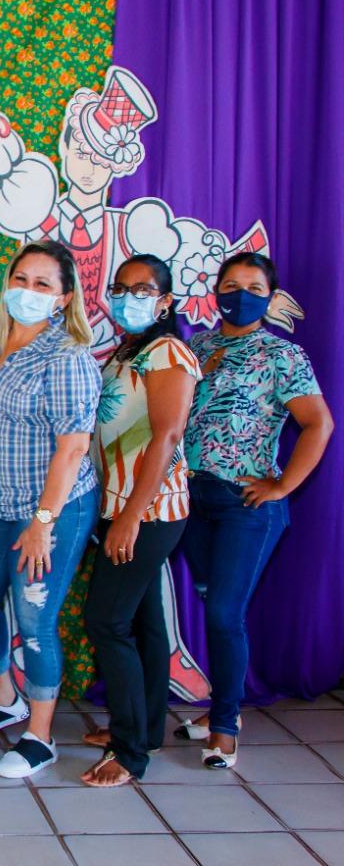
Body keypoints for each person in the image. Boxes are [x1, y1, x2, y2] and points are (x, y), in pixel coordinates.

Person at [175, 251, 333, 769]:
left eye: (253, 286)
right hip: (192, 501)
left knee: (224, 613)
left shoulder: (282, 355)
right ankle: (224, 709)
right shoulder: (197, 347)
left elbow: (318, 424)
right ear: (214, 291)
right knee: (213, 605)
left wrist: (283, 484)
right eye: (230, 284)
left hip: (244, 505)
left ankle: (223, 728)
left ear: (270, 296)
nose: (240, 294)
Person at [0, 239, 101, 778]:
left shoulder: (67, 358)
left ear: (63, 299)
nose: (28, 291)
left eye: (43, 285)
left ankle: (39, 737)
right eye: (21, 279)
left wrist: (43, 524)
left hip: (51, 509)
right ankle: (3, 701)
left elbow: (74, 447)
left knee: (36, 619)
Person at [80, 255, 200, 786]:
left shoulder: (168, 352)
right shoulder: (131, 352)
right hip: (119, 506)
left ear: (166, 300)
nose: (130, 297)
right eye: (122, 288)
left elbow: (167, 435)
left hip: (147, 511)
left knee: (105, 621)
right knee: (144, 621)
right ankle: (145, 726)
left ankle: (129, 752)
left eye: (144, 289)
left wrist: (130, 517)